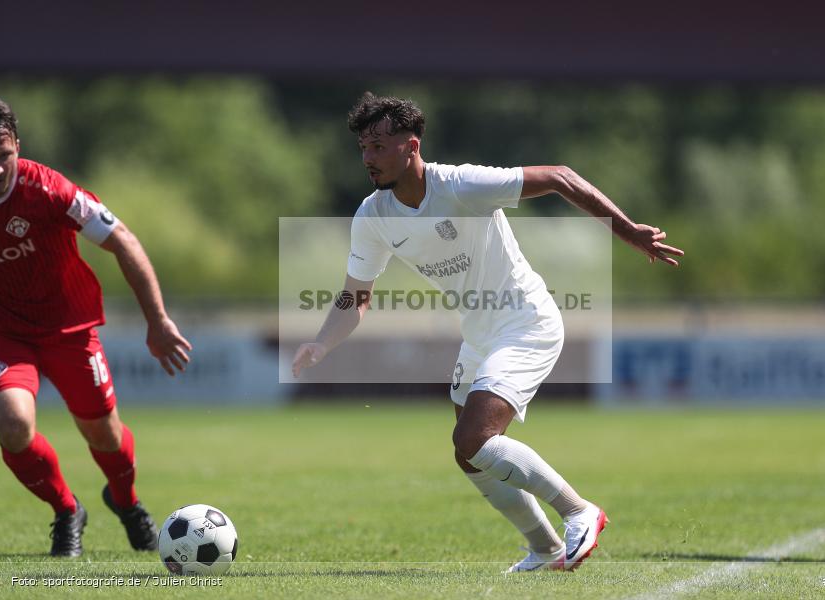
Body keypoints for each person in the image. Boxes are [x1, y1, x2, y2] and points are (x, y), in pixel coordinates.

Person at [292, 92, 684, 572]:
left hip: (526, 323)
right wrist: (320, 342)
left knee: (474, 438)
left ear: (411, 146)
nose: (368, 158)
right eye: (363, 149)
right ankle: (545, 549)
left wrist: (627, 231)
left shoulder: (460, 185)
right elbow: (358, 297)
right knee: (470, 454)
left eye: (378, 146)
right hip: (479, 334)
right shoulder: (372, 216)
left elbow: (560, 177)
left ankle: (580, 512)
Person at [0, 97, 192, 557]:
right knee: (11, 422)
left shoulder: (49, 190)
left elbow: (122, 240)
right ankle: (66, 511)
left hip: (69, 328)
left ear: (17, 148)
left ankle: (125, 501)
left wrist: (157, 320)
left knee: (104, 435)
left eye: (2, 155)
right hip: (7, 334)